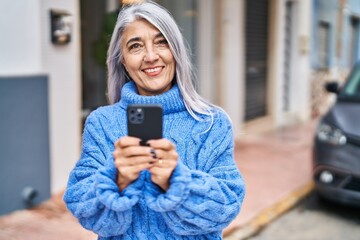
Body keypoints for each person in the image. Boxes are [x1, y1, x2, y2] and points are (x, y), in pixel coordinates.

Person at [64, 1, 245, 239]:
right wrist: (116, 179)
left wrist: (177, 181)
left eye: (161, 42)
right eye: (135, 46)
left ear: (175, 51)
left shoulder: (211, 122)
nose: (151, 56)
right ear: (123, 61)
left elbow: (226, 207)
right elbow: (83, 207)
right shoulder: (102, 123)